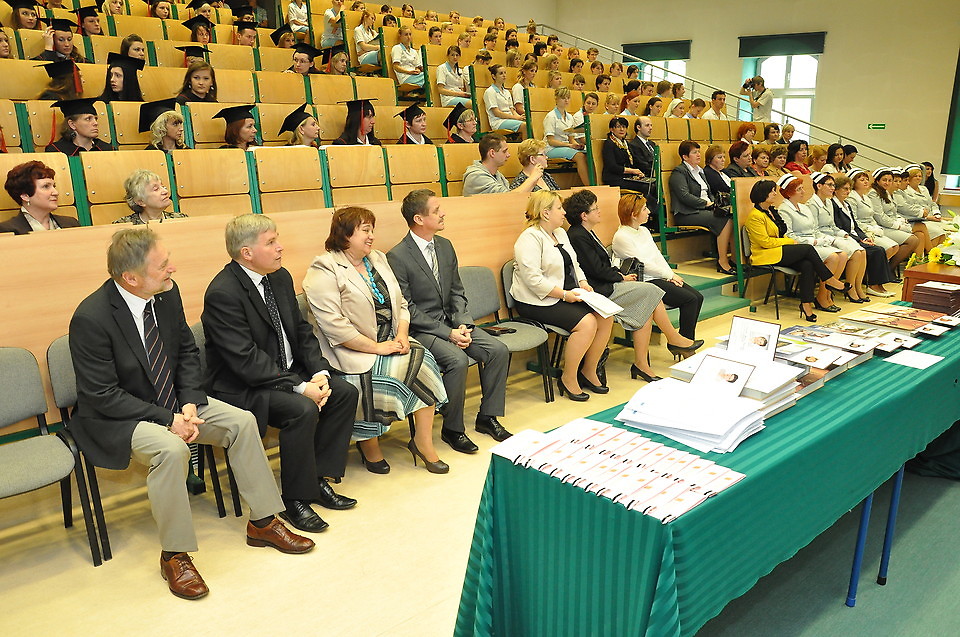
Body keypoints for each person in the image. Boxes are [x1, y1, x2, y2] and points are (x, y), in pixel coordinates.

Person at [69, 226, 315, 600]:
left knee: (242, 422)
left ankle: (263, 522)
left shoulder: (167, 293)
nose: (172, 269)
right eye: (162, 265)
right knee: (171, 450)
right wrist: (168, 419)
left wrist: (187, 401)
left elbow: (186, 351)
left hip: (174, 402)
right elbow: (102, 395)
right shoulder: (92, 317)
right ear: (131, 278)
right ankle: (175, 555)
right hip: (120, 416)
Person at [202, 215, 358, 532]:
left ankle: (316, 480)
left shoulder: (279, 277)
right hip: (245, 384)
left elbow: (301, 331)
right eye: (271, 242)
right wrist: (300, 387)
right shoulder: (223, 293)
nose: (280, 247)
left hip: (285, 371)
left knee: (343, 393)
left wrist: (319, 372)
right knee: (301, 409)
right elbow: (246, 360)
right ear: (247, 253)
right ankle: (295, 499)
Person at [307, 203, 445, 472]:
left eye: (372, 230)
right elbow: (335, 327)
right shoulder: (324, 268)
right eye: (365, 230)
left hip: (390, 338)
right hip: (351, 349)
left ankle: (423, 442)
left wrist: (402, 334)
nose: (372, 236)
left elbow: (400, 303)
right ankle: (369, 445)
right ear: (346, 234)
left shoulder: (377, 259)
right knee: (369, 378)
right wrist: (377, 348)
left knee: (422, 359)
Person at [385, 190, 512, 453]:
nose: (443, 213)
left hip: (454, 322)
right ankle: (452, 429)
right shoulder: (398, 256)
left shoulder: (445, 245)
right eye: (436, 210)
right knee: (457, 360)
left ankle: (487, 417)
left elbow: (456, 290)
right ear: (419, 219)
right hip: (424, 329)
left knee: (498, 350)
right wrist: (448, 333)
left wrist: (463, 324)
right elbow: (407, 309)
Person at [566, 191, 702, 381]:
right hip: (600, 289)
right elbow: (596, 270)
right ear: (584, 215)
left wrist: (666, 274)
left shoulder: (587, 232)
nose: (599, 211)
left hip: (608, 282)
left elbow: (603, 265)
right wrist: (620, 277)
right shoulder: (578, 235)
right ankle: (672, 339)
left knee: (647, 306)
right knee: (652, 292)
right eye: (595, 209)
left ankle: (642, 364)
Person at [511, 191, 614, 401]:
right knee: (587, 324)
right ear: (546, 213)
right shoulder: (529, 238)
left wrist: (583, 284)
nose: (564, 212)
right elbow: (533, 280)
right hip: (535, 300)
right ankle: (568, 378)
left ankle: (589, 370)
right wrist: (565, 295)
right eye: (559, 208)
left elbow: (575, 264)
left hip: (564, 293)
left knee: (606, 316)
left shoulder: (560, 233)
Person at [745, 178, 848, 322]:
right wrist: (789, 241)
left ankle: (806, 305)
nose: (775, 193)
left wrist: (787, 241)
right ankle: (829, 279)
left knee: (807, 264)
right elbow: (765, 242)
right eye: (772, 191)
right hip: (764, 254)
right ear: (763, 194)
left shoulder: (771, 211)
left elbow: (781, 233)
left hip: (779, 249)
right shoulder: (755, 216)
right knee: (807, 249)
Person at [613, 193, 705, 341]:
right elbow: (643, 264)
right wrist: (668, 275)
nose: (649, 211)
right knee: (689, 300)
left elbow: (657, 256)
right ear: (633, 215)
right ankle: (684, 343)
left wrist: (670, 275)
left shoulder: (643, 230)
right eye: (644, 209)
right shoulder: (622, 236)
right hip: (645, 280)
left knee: (698, 297)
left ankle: (685, 341)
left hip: (659, 276)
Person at [777, 173, 849, 310]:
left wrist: (824, 239)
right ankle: (821, 297)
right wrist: (814, 241)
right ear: (789, 192)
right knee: (833, 258)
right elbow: (789, 235)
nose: (803, 192)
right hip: (802, 246)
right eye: (799, 189)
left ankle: (828, 294)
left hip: (815, 241)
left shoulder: (804, 207)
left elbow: (814, 228)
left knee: (843, 255)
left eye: (802, 188)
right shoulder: (784, 210)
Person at [669, 141, 736, 274]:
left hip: (705, 209)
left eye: (699, 152)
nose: (698, 155)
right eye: (694, 152)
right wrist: (706, 204)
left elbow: (709, 193)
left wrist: (714, 204)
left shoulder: (700, 171)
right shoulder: (679, 172)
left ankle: (734, 259)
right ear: (685, 157)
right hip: (687, 213)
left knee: (733, 216)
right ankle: (722, 261)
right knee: (725, 219)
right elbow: (684, 196)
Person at [831, 173, 896, 299]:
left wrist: (864, 237)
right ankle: (867, 286)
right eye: (845, 189)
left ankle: (867, 286)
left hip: (854, 236)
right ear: (836, 190)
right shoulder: (834, 205)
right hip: (844, 237)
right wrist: (859, 240)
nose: (848, 191)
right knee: (875, 251)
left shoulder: (846, 204)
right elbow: (839, 227)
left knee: (878, 249)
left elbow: (855, 226)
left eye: (849, 189)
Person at [807, 171, 867, 303]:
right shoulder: (812, 204)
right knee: (854, 253)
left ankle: (855, 287)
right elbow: (815, 229)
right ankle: (840, 290)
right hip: (822, 238)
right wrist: (833, 239)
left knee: (861, 251)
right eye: (829, 185)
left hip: (832, 235)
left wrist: (843, 234)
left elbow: (833, 226)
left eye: (833, 185)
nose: (832, 188)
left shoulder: (828, 202)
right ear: (819, 186)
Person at [0, 160, 80, 234]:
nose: (56, 192)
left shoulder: (71, 224)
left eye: (54, 186)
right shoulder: (7, 230)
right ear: (25, 196)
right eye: (46, 186)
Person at [866, 167, 930, 258]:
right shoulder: (874, 194)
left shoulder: (885, 192)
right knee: (913, 239)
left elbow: (893, 212)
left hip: (890, 224)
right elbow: (880, 217)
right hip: (883, 226)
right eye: (884, 180)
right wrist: (898, 226)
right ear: (877, 181)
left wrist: (901, 221)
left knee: (920, 235)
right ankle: (891, 266)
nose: (887, 183)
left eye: (890, 180)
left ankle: (918, 262)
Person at [463, 134, 541, 196]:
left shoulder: (498, 175)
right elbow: (509, 199)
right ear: (492, 153)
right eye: (504, 151)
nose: (508, 155)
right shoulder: (476, 176)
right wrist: (533, 178)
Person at [543, 87, 589, 185]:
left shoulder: (569, 117)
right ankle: (589, 185)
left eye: (568, 98)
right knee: (580, 156)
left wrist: (576, 145)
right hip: (551, 148)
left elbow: (571, 138)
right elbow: (551, 141)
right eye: (563, 98)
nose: (566, 100)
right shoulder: (551, 116)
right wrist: (569, 145)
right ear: (556, 99)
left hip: (566, 147)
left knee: (588, 153)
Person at [114, 169, 187, 225]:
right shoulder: (124, 226)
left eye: (163, 186)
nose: (165, 191)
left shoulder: (180, 219)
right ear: (141, 201)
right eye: (156, 189)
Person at [46, 98, 115, 154]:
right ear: (72, 124)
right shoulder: (57, 151)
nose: (95, 123)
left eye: (95, 119)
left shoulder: (108, 150)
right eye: (88, 119)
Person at [601, 117, 647, 191]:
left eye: (624, 127)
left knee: (651, 184)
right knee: (645, 187)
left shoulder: (626, 143)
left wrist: (639, 173)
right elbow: (612, 166)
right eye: (618, 127)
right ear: (611, 129)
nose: (622, 129)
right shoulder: (609, 144)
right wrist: (632, 171)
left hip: (627, 177)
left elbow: (634, 161)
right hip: (614, 179)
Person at [483, 64, 524, 134]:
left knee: (529, 123)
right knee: (524, 126)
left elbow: (512, 109)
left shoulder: (507, 92)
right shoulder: (490, 91)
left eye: (505, 73)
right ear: (494, 76)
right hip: (498, 122)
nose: (504, 75)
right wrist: (515, 118)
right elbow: (496, 113)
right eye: (501, 73)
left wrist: (519, 117)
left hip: (510, 119)